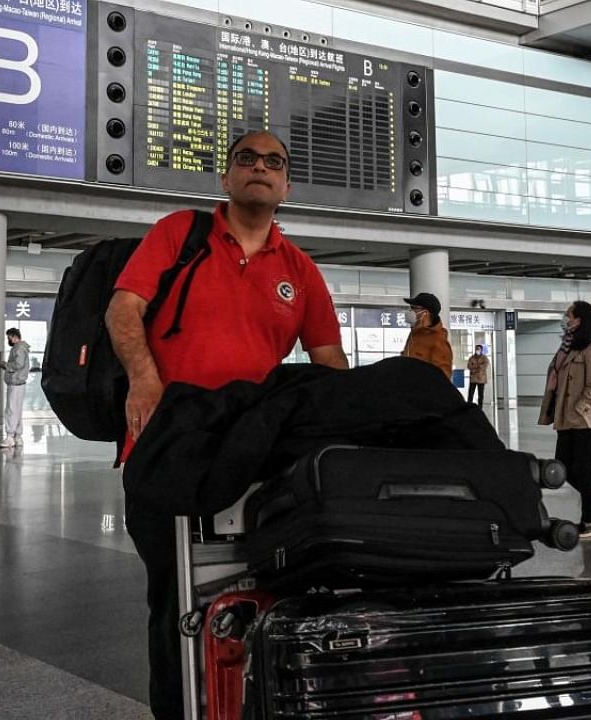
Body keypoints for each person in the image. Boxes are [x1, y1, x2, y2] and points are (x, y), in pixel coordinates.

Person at [105, 129, 348, 720]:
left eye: (273, 162)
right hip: (166, 453)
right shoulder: (179, 235)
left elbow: (330, 365)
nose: (259, 168)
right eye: (246, 159)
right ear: (227, 178)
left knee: (258, 600)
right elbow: (123, 308)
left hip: (249, 463)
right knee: (174, 604)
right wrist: (143, 378)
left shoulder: (300, 270)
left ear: (286, 185)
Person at [538, 301, 591, 539]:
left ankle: (588, 522)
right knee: (562, 468)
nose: (565, 319)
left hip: (584, 419)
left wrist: (580, 407)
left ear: (580, 320)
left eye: (568, 316)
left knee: (584, 469)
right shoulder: (567, 348)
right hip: (565, 417)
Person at [399, 292, 452, 379]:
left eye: (414, 308)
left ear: (425, 313)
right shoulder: (413, 334)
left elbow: (442, 378)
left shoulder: (438, 340)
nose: (410, 311)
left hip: (422, 391)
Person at [0, 329, 30, 447]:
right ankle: (18, 437)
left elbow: (18, 364)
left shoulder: (18, 348)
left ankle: (10, 437)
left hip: (15, 383)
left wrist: (5, 365)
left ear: (14, 336)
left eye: (9, 337)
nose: (8, 340)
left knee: (11, 410)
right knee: (17, 410)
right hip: (20, 383)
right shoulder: (22, 348)